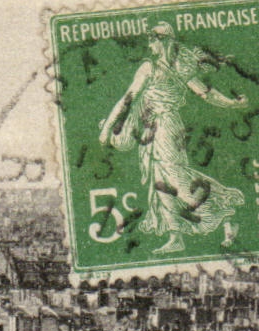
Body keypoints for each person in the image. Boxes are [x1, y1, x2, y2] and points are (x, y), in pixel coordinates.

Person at [99, 22, 248, 253]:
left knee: (176, 180)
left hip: (165, 127)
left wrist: (107, 128)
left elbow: (128, 99)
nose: (150, 46)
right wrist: (232, 103)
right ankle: (176, 237)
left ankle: (226, 213)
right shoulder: (177, 67)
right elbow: (207, 94)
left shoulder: (154, 68)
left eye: (153, 41)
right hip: (157, 128)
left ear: (163, 41)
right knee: (161, 182)